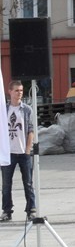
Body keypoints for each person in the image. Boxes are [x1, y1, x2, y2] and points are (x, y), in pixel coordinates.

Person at [1, 81, 35, 222]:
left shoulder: (26, 109)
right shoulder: (4, 110)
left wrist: (28, 149)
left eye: (21, 90)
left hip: (23, 152)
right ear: (10, 91)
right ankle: (7, 210)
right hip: (8, 153)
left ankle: (31, 209)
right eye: (16, 90)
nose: (19, 93)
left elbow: (31, 130)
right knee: (6, 184)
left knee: (28, 182)